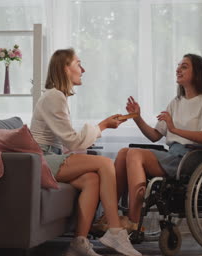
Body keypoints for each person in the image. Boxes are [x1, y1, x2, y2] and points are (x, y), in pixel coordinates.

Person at [30, 48, 142, 256]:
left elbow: (70, 140)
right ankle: (116, 231)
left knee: (92, 179)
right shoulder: (54, 97)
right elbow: (72, 142)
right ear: (65, 68)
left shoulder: (57, 96)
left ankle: (78, 243)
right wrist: (103, 126)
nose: (83, 69)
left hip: (51, 156)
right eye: (78, 63)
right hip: (41, 160)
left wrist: (103, 126)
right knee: (105, 163)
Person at [113, 53, 202, 228]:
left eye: (184, 66)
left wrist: (174, 129)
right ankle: (111, 216)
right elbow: (155, 135)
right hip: (173, 155)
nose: (178, 69)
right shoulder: (176, 102)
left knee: (134, 154)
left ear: (198, 73)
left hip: (191, 158)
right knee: (123, 153)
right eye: (178, 66)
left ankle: (132, 221)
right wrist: (137, 117)